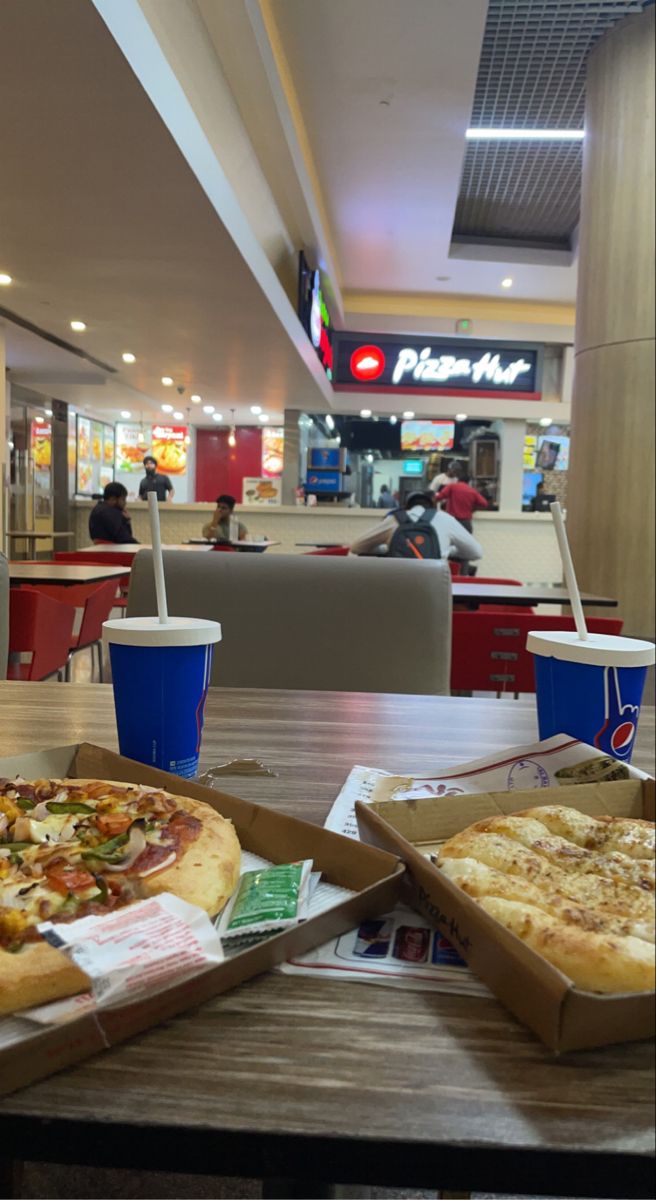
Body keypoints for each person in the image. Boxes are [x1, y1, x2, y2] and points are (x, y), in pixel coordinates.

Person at [349, 490, 482, 563]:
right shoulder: (445, 519)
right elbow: (476, 553)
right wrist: (448, 551)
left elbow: (356, 547)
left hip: (397, 586)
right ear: (432, 507)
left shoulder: (394, 519)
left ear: (406, 507)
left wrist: (387, 549)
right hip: (433, 589)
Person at [435, 465, 488, 532]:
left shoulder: (451, 487)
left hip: (452, 521)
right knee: (466, 542)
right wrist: (473, 509)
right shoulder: (472, 491)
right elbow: (484, 504)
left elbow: (438, 498)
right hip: (465, 523)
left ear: (458, 480)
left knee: (450, 541)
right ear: (468, 482)